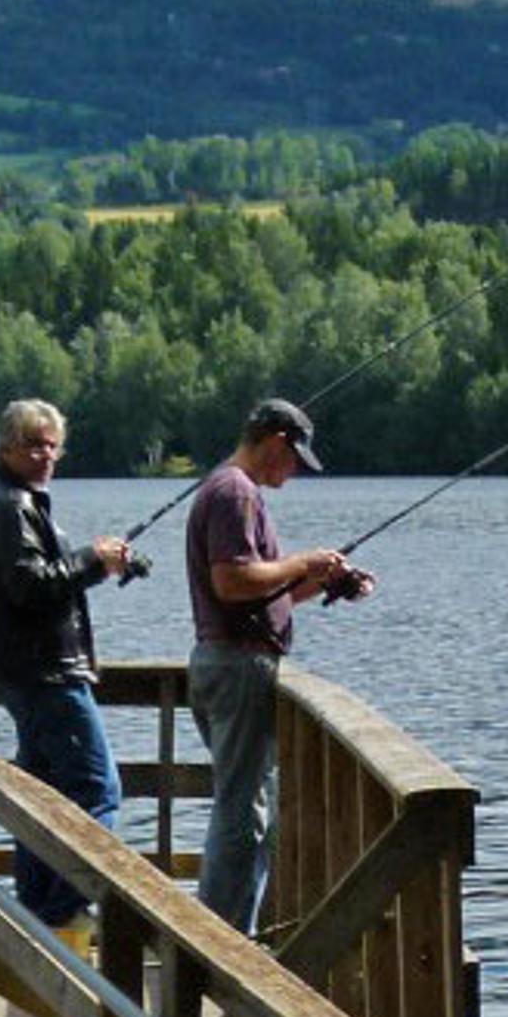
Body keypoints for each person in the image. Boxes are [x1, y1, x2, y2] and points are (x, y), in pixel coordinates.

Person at [185, 396, 369, 932]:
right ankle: (222, 946)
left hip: (232, 661)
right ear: (275, 442)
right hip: (238, 668)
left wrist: (324, 581)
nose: (294, 474)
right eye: (293, 461)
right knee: (242, 817)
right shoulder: (233, 492)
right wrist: (302, 562)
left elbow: (262, 595)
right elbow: (232, 581)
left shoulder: (231, 490)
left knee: (249, 809)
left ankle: (229, 936)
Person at [0, 397, 131, 945]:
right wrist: (91, 560)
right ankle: (65, 912)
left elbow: (40, 582)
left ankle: (37, 921)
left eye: (52, 445)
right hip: (47, 676)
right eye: (33, 444)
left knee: (42, 800)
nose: (45, 455)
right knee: (97, 790)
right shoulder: (10, 506)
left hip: (31, 673)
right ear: (7, 447)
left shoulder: (16, 502)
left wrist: (97, 565)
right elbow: (29, 586)